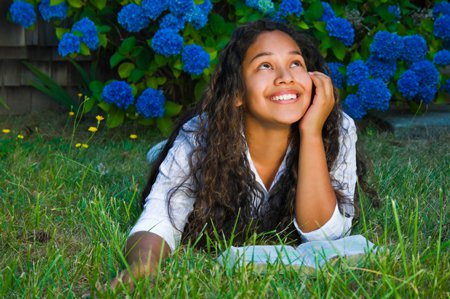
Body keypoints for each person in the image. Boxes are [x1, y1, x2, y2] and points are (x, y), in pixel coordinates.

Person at [111, 19, 374, 289]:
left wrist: (311, 132)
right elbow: (160, 216)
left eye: (296, 63)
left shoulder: (335, 128)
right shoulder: (201, 136)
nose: (286, 76)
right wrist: (142, 266)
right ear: (238, 92)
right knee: (173, 154)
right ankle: (163, 150)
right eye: (265, 65)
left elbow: (326, 235)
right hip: (204, 140)